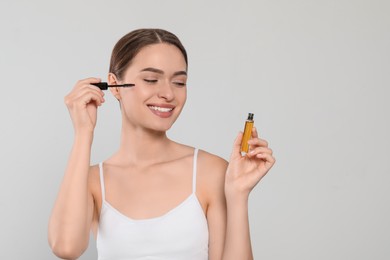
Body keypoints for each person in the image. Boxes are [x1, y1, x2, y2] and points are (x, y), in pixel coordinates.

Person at [48, 28, 275, 260]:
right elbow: (66, 247)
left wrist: (238, 195)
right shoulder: (92, 181)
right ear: (114, 85)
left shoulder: (210, 171)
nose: (168, 93)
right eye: (151, 79)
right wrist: (83, 133)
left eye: (179, 82)